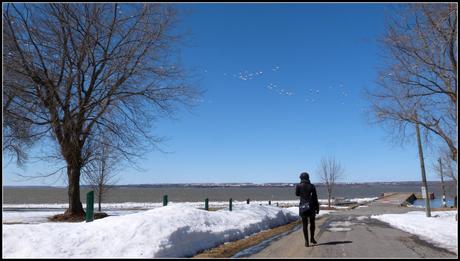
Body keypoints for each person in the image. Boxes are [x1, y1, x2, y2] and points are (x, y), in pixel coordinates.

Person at [295, 172, 319, 247]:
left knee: (304, 225)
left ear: (301, 178)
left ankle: (306, 242)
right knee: (312, 223)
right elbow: (315, 198)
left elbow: (297, 194)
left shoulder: (298, 186)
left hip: (303, 207)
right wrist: (317, 208)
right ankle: (312, 238)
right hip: (311, 207)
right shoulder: (312, 186)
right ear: (308, 177)